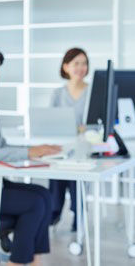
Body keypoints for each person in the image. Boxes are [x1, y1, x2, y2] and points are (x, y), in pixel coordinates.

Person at [0, 42, 61, 266]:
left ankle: (34, 261)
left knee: (43, 195)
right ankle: (16, 264)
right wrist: (28, 151)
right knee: (34, 202)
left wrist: (35, 154)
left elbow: (1, 144)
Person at [49, 48, 89, 231]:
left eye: (84, 63)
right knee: (58, 166)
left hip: (85, 147)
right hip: (62, 146)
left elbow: (98, 123)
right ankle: (54, 210)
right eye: (76, 63)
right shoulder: (58, 94)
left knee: (75, 168)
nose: (81, 68)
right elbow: (51, 121)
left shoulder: (92, 91)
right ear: (66, 67)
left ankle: (77, 212)